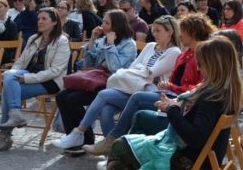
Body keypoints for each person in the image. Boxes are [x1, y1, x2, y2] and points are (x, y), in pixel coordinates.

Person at [95, 37, 243, 170]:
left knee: (119, 155)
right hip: (201, 157)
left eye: (201, 63)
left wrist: (172, 110)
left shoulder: (211, 98)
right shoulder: (224, 91)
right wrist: (175, 106)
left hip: (193, 162)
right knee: (120, 161)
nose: (199, 67)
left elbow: (195, 137)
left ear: (213, 65)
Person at [86, 13, 215, 154]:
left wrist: (170, 86)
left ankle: (109, 143)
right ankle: (115, 153)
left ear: (193, 32)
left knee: (134, 99)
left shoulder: (199, 54)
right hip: (166, 93)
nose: (180, 35)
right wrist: (167, 85)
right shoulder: (186, 53)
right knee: (108, 109)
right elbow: (138, 69)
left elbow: (198, 87)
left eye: (183, 31)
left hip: (180, 100)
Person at [52, 16, 181, 151]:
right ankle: (108, 148)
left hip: (149, 93)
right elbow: (133, 67)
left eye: (158, 31)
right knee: (105, 104)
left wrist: (142, 71)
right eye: (153, 30)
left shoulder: (173, 51)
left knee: (101, 101)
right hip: (130, 87)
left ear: (170, 32)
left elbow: (152, 72)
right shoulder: (150, 46)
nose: (154, 34)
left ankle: (82, 134)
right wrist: (143, 72)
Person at [0, 7, 71, 153]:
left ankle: (4, 136)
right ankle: (15, 113)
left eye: (44, 19)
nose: (40, 22)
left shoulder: (61, 41)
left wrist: (26, 78)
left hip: (50, 82)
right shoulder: (34, 38)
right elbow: (20, 62)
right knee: (9, 77)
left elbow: (55, 71)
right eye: (39, 19)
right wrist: (12, 74)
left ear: (55, 22)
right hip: (28, 75)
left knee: (8, 91)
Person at [54, 10, 137, 153]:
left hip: (113, 85)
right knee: (62, 96)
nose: (102, 25)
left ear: (116, 25)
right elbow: (87, 66)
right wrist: (92, 40)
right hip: (94, 81)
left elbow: (115, 68)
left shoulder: (128, 44)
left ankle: (85, 139)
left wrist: (110, 46)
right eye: (103, 21)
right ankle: (74, 139)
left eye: (106, 22)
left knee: (74, 99)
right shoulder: (101, 41)